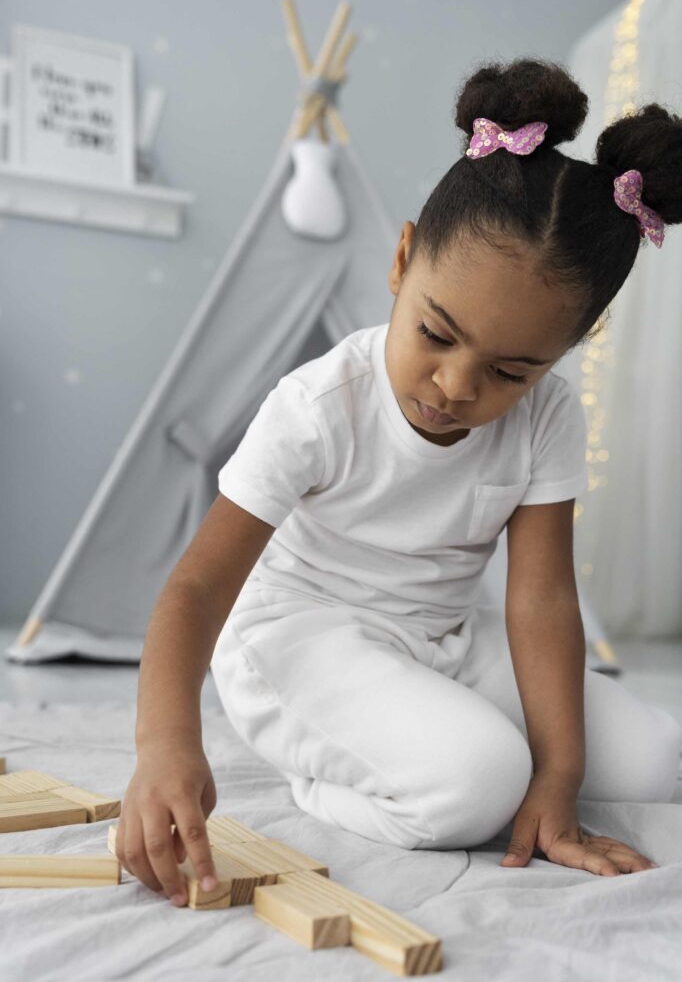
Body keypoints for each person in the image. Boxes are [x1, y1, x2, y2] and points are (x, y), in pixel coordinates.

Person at [117, 57, 682, 907]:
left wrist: (560, 780)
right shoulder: (318, 407)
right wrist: (163, 743)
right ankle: (325, 780)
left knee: (653, 762)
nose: (456, 387)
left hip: (440, 639)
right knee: (480, 784)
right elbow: (197, 588)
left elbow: (539, 603)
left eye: (510, 372)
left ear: (567, 350)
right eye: (437, 333)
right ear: (403, 258)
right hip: (295, 639)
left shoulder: (550, 418)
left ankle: (455, 744)